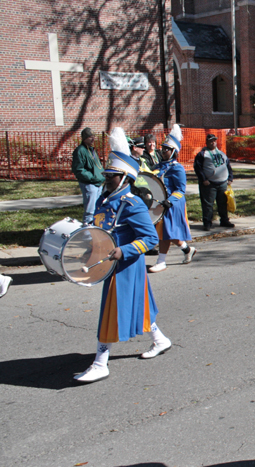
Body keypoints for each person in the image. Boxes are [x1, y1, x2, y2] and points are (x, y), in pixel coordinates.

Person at [74, 128, 172, 383]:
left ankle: (100, 362)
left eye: (112, 175)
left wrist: (124, 250)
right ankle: (160, 339)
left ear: (125, 178)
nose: (107, 178)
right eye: (107, 174)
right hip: (110, 264)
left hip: (125, 266)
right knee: (139, 305)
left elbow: (150, 238)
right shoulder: (105, 200)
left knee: (111, 311)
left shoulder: (133, 204)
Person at [149, 125, 196, 273]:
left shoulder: (177, 168)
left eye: (167, 149)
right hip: (160, 203)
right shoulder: (158, 166)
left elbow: (181, 189)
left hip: (172, 203)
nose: (163, 151)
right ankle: (187, 250)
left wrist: (170, 201)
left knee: (165, 232)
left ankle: (161, 262)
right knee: (167, 232)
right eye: (163, 149)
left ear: (173, 152)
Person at [193, 133, 235, 231]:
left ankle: (224, 220)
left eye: (214, 140)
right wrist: (203, 179)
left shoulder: (221, 153)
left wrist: (230, 178)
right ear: (207, 142)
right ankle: (207, 223)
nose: (213, 142)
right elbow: (198, 168)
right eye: (211, 141)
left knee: (223, 203)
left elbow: (228, 166)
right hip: (209, 184)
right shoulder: (202, 154)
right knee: (208, 205)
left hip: (223, 183)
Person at [72, 127, 105, 225]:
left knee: (98, 209)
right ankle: (87, 228)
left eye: (93, 136)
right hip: (89, 184)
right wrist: (92, 177)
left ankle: (96, 228)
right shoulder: (80, 151)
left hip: (98, 183)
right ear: (84, 138)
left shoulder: (92, 150)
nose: (93, 139)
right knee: (90, 211)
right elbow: (79, 169)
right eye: (90, 137)